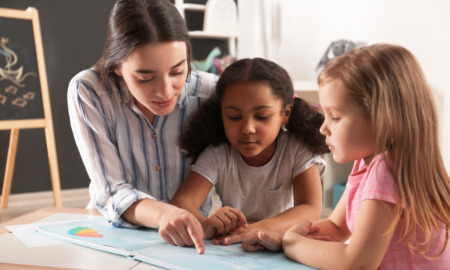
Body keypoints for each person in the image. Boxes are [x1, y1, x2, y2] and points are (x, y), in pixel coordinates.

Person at [226, 44, 450, 268]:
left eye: (335, 116)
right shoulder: (367, 164)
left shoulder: (387, 168)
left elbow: (356, 263)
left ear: (382, 118)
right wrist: (276, 236)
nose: (324, 128)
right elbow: (337, 227)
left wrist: (292, 242)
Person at [67, 0, 218, 254]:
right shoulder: (89, 91)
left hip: (193, 241)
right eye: (145, 77)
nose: (165, 91)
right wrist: (164, 214)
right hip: (112, 235)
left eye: (178, 71)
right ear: (117, 66)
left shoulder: (210, 92)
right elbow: (112, 190)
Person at [170, 58, 328, 251]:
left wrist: (257, 229)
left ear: (285, 113)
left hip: (285, 244)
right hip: (237, 248)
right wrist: (205, 224)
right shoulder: (219, 154)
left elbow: (310, 208)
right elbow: (182, 201)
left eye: (262, 117)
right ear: (221, 115)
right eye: (234, 117)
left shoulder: (296, 149)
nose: (247, 128)